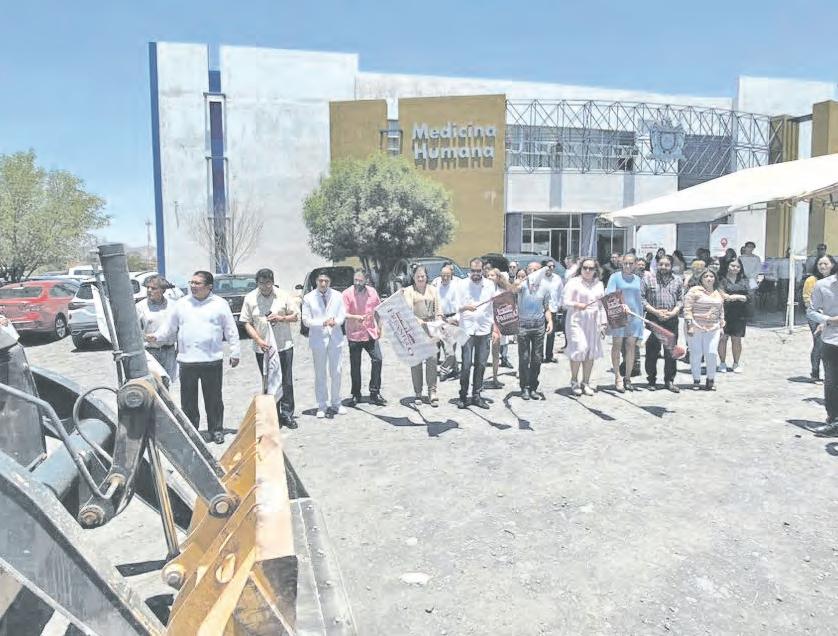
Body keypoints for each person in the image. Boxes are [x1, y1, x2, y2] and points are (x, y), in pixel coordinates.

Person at [149, 271, 240, 444]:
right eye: (191, 282)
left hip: (211, 359)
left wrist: (235, 352)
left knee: (214, 399)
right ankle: (192, 432)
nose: (193, 286)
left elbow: (230, 330)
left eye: (197, 283)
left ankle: (216, 430)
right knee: (188, 400)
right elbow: (169, 326)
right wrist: (156, 336)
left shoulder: (220, 304)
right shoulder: (182, 304)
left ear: (209, 286)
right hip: (187, 360)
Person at [240, 268, 299, 427]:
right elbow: (246, 322)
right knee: (268, 381)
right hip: (263, 348)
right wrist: (258, 340)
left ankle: (287, 414)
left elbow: (295, 316)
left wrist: (281, 318)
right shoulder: (250, 298)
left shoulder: (283, 295)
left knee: (286, 381)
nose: (265, 286)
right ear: (257, 283)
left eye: (268, 283)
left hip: (283, 345)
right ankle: (273, 415)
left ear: (272, 282)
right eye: (261, 283)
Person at [302, 271, 347, 418]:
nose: (323, 283)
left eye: (326, 281)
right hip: (318, 339)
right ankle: (322, 405)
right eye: (320, 280)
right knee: (320, 373)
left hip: (335, 338)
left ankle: (336, 403)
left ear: (330, 282)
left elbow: (342, 315)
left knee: (337, 372)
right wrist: (322, 322)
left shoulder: (338, 295)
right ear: (316, 281)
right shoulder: (308, 298)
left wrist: (336, 322)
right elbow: (306, 320)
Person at [455, 257, 496, 409]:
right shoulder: (462, 284)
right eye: (473, 271)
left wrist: (494, 327)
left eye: (478, 271)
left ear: (483, 270)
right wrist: (466, 307)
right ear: (469, 270)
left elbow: (493, 307)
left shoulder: (490, 285)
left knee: (481, 364)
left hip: (484, 329)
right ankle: (463, 396)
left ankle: (477, 395)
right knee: (466, 365)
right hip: (466, 329)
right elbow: (456, 306)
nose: (476, 274)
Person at [562, 258, 607, 396]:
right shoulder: (573, 282)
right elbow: (564, 301)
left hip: (593, 320)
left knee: (590, 351)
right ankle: (574, 380)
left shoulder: (599, 284)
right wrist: (577, 304)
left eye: (591, 268)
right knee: (580, 348)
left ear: (595, 270)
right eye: (585, 268)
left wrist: (603, 323)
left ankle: (586, 382)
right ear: (580, 268)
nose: (587, 270)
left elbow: (601, 305)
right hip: (577, 319)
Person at [342, 269, 386, 408]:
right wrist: (356, 317)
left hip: (370, 332)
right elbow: (343, 313)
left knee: (378, 359)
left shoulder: (372, 292)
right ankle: (356, 394)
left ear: (366, 280)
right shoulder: (347, 293)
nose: (357, 283)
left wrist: (379, 327)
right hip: (354, 334)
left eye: (360, 280)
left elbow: (378, 310)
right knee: (355, 365)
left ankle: (375, 392)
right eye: (355, 280)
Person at [640, 255, 683, 392]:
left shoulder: (678, 280)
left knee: (670, 352)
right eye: (661, 264)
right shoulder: (648, 279)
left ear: (671, 266)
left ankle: (669, 381)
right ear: (657, 265)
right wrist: (656, 312)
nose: (663, 267)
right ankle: (651, 380)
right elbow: (642, 299)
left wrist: (673, 312)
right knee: (652, 351)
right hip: (653, 318)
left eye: (667, 265)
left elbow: (681, 300)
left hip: (671, 319)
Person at [402, 266, 442, 406]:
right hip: (415, 329)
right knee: (416, 362)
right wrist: (420, 322)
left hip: (431, 328)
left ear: (426, 277)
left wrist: (438, 321)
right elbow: (407, 311)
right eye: (418, 276)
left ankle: (432, 392)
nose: (420, 279)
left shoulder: (433, 289)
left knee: (432, 360)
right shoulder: (409, 291)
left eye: (423, 276)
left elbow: (438, 309)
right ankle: (418, 392)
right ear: (413, 277)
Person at [605, 253, 644, 392]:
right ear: (621, 263)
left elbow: (641, 298)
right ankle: (617, 377)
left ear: (635, 264)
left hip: (635, 316)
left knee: (631, 347)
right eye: (625, 263)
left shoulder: (638, 279)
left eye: (631, 263)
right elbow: (609, 295)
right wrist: (621, 305)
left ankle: (627, 378)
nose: (627, 266)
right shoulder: (614, 277)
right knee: (617, 345)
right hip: (618, 314)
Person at [806, 263, 838, 434]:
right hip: (832, 340)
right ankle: (833, 421)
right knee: (832, 383)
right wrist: (828, 320)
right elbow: (811, 312)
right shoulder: (822, 285)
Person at [513, 262, 551, 399]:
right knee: (524, 358)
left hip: (538, 326)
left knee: (537, 358)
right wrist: (519, 282)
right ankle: (524, 387)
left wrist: (550, 321)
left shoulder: (545, 287)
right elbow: (514, 290)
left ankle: (533, 386)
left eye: (536, 270)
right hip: (523, 326)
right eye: (530, 270)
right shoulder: (523, 285)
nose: (533, 272)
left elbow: (546, 308)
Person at [684, 268, 725, 391]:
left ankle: (710, 379)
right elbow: (687, 308)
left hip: (713, 327)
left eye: (711, 276)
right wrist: (689, 325)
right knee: (696, 354)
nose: (709, 278)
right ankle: (696, 379)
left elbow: (721, 310)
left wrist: (721, 325)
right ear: (701, 279)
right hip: (695, 326)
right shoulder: (694, 291)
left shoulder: (718, 293)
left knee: (711, 353)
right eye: (706, 276)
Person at [136, 275, 179, 385]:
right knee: (153, 383)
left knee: (167, 383)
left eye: (154, 288)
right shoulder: (140, 307)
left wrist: (179, 350)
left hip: (169, 352)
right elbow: (135, 332)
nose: (149, 290)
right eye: (148, 287)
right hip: (151, 353)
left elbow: (179, 329)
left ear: (163, 290)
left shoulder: (173, 306)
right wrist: (144, 337)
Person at [803, 255, 836, 383]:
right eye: (820, 264)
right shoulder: (812, 280)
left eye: (825, 264)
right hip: (817, 316)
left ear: (832, 265)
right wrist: (823, 317)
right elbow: (807, 300)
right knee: (819, 344)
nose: (822, 266)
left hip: (833, 316)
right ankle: (815, 372)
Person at [717, 258, 750, 374]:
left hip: (740, 314)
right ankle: (722, 363)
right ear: (727, 266)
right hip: (724, 312)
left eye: (737, 266)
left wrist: (736, 297)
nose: (735, 268)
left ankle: (736, 363)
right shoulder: (721, 279)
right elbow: (722, 294)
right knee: (723, 338)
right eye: (732, 265)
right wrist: (737, 297)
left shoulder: (745, 280)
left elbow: (750, 295)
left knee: (736, 339)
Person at [484, 268, 514, 390]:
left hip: (497, 323)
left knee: (495, 353)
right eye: (488, 275)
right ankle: (479, 378)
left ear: (498, 277)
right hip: (485, 324)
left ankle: (495, 377)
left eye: (492, 275)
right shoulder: (483, 290)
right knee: (483, 353)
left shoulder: (502, 291)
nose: (490, 277)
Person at [434, 265, 461, 380]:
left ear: (451, 276)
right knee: (446, 348)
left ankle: (444, 370)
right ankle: (455, 370)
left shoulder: (456, 286)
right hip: (439, 319)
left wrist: (457, 319)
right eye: (443, 275)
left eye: (447, 276)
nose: (445, 278)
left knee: (450, 349)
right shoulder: (436, 285)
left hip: (452, 319)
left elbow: (461, 305)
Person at [541, 259, 565, 363]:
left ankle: (549, 355)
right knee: (540, 334)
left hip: (553, 309)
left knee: (551, 334)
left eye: (553, 266)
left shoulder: (557, 279)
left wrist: (560, 304)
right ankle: (539, 355)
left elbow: (561, 292)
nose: (551, 268)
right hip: (541, 309)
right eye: (549, 266)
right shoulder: (540, 278)